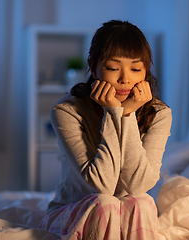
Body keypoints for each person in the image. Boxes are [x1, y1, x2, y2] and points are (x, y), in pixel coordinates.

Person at [39, 20, 172, 240]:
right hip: (72, 211)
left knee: (143, 202)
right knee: (106, 204)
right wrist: (113, 112)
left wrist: (128, 114)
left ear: (146, 71)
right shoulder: (67, 111)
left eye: (136, 69)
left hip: (125, 213)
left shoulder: (159, 113)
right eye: (112, 68)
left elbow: (138, 185)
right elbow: (102, 186)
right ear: (93, 66)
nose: (125, 79)